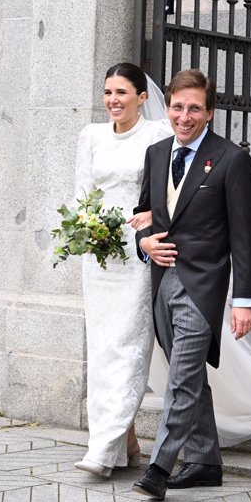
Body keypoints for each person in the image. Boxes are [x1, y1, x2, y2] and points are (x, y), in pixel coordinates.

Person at [132, 69, 251, 500]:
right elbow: (144, 214)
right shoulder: (155, 154)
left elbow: (244, 236)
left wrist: (243, 301)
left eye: (194, 109)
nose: (184, 117)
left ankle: (159, 467)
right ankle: (205, 459)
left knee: (181, 379)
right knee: (186, 375)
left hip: (203, 287)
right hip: (162, 283)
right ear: (167, 107)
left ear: (209, 112)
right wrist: (143, 241)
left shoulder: (231, 159)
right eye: (177, 107)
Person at [71, 63, 172, 478]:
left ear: (142, 98)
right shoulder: (91, 136)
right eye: (108, 92)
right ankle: (125, 441)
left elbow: (169, 190)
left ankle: (103, 446)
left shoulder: (157, 134)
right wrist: (85, 229)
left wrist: (150, 218)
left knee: (128, 344)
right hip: (99, 255)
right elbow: (81, 194)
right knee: (102, 346)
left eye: (122, 93)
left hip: (138, 252)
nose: (113, 100)